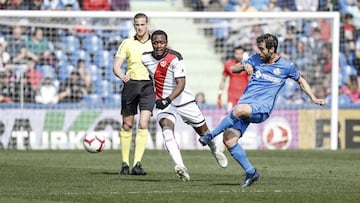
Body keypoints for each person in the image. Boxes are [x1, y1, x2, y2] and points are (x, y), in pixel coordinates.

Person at [199, 33, 325, 187]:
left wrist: (313, 97)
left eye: (262, 49)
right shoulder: (256, 58)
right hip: (246, 105)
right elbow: (234, 68)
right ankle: (251, 172)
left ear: (272, 49)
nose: (259, 52)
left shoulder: (286, 66)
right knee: (229, 139)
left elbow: (301, 80)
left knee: (238, 110)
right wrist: (244, 66)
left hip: (261, 109)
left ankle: (209, 136)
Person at [141, 30, 228, 181]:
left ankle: (215, 150)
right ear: (152, 43)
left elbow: (181, 84)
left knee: (203, 131)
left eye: (161, 42)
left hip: (183, 100)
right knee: (167, 131)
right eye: (155, 42)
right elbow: (149, 77)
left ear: (166, 43)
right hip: (163, 104)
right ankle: (180, 167)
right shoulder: (145, 58)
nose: (158, 45)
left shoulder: (175, 57)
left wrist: (168, 99)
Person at [112, 13, 154, 176]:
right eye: (137, 24)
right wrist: (122, 76)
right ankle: (124, 163)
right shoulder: (127, 43)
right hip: (131, 85)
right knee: (127, 125)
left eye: (142, 24)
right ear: (134, 25)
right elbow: (116, 66)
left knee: (143, 124)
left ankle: (137, 164)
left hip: (148, 86)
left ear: (147, 25)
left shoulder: (155, 43)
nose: (139, 27)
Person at [218, 45, 249, 112]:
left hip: (244, 95)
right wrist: (220, 93)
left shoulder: (247, 65)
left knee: (243, 116)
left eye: (241, 54)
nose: (238, 55)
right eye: (237, 54)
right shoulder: (228, 64)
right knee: (230, 115)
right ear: (234, 54)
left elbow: (251, 79)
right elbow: (223, 79)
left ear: (244, 54)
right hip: (232, 96)